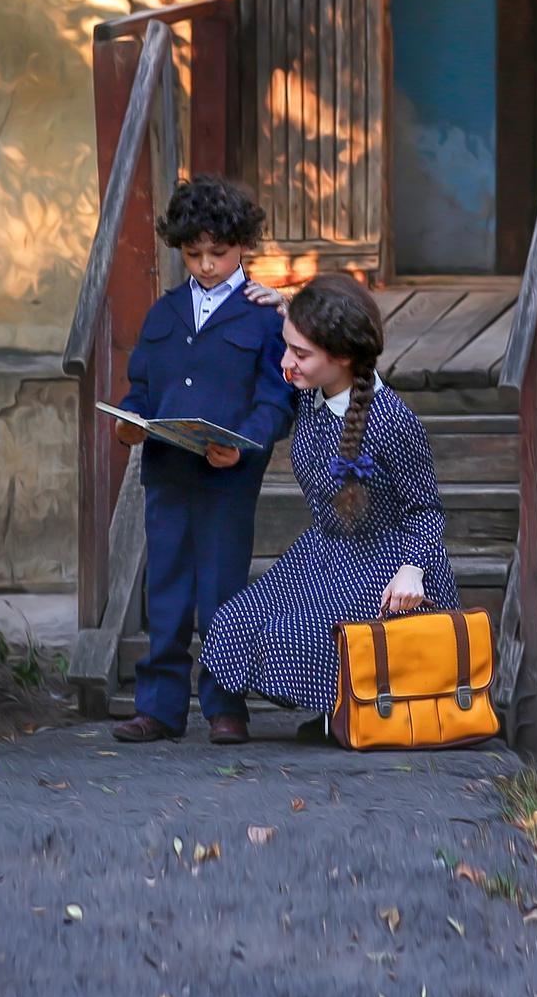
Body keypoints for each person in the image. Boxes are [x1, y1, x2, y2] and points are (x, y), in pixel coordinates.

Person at [196, 272, 457, 737]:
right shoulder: (309, 395)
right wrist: (289, 305)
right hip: (325, 554)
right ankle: (339, 708)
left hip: (387, 568)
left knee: (294, 635)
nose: (285, 363)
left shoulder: (393, 423)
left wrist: (414, 571)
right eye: (287, 346)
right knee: (235, 623)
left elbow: (426, 511)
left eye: (300, 353)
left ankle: (352, 707)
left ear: (342, 358)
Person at [109, 176, 296, 746]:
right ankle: (160, 708)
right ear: (179, 249)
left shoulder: (265, 317)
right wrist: (127, 423)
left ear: (243, 244)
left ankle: (225, 707)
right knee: (164, 589)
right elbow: (140, 388)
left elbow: (276, 398)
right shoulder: (163, 315)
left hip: (228, 479)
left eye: (218, 252)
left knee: (222, 591)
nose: (207, 265)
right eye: (194, 254)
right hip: (166, 472)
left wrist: (243, 443)